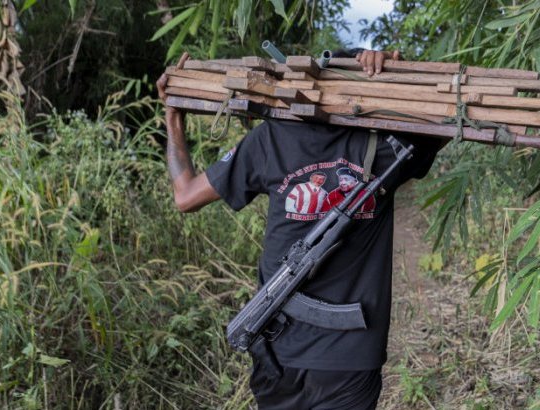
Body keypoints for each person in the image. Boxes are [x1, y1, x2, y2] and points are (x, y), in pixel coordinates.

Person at [157, 49, 443, 409]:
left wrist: (173, 121)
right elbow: (445, 114)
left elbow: (184, 193)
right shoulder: (375, 145)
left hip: (339, 358)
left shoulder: (380, 148)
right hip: (290, 352)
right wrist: (391, 72)